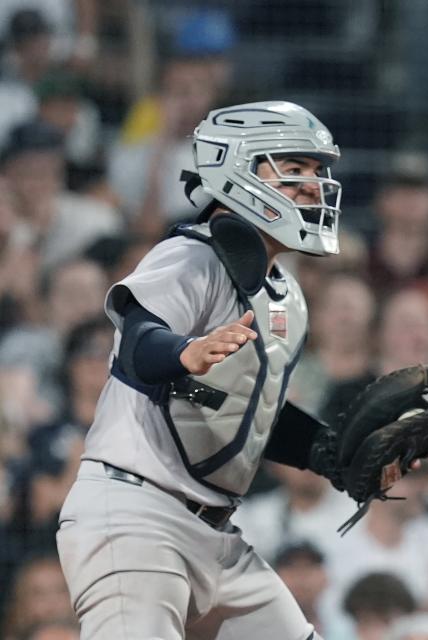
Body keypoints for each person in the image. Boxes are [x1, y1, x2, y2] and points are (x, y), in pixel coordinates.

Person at [55, 101, 348, 639]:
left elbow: (245, 416)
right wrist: (182, 353)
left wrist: (333, 453)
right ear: (237, 165)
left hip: (217, 537)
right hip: (136, 514)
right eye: (294, 167)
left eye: (316, 170)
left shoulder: (287, 295)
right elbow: (141, 345)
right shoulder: (193, 253)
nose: (313, 184)